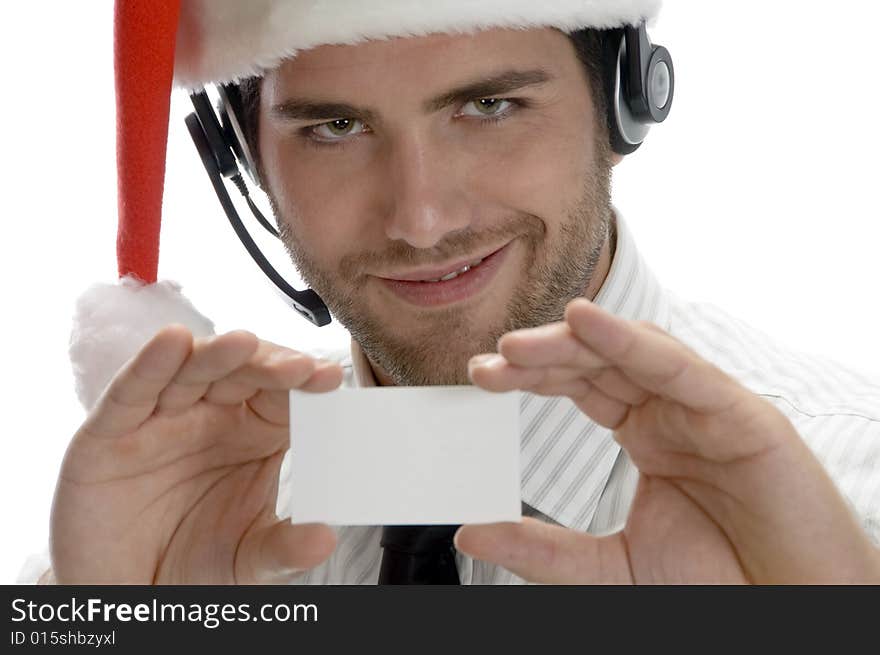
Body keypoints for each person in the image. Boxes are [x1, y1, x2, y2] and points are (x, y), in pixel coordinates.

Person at [25, 0, 880, 585]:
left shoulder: (839, 494)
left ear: (625, 105)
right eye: (335, 127)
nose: (421, 219)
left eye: (490, 106)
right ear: (246, 159)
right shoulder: (181, 523)